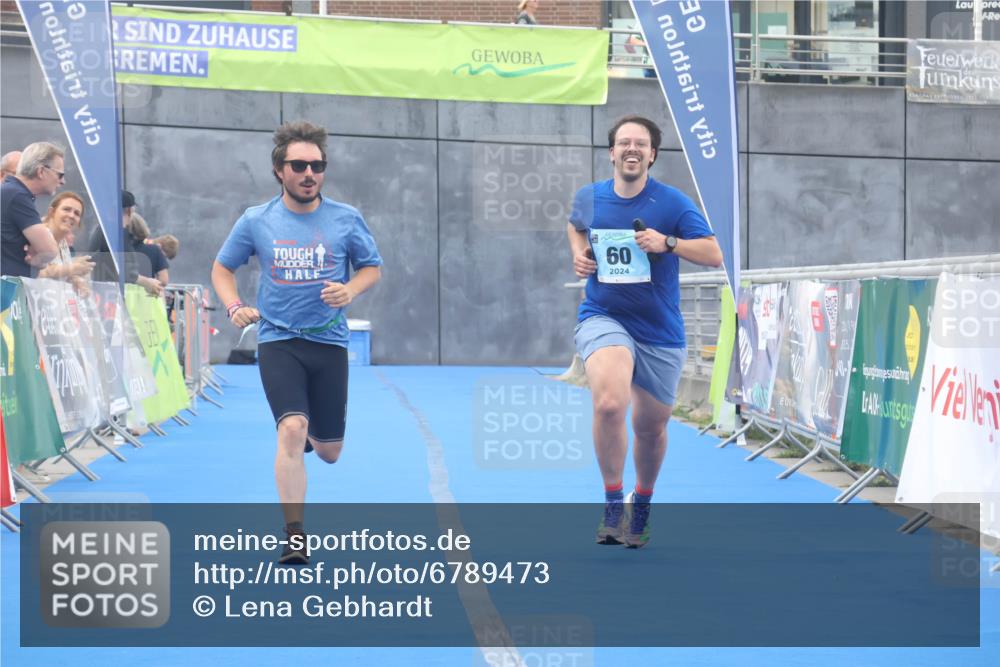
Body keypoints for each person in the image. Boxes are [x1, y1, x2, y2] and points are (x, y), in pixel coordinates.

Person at [212, 120, 383, 565]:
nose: (310, 173)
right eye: (300, 165)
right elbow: (222, 269)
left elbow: (371, 268)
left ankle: (309, 436)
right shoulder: (257, 220)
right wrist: (234, 307)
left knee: (328, 452)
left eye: (317, 165)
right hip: (278, 340)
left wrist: (351, 290)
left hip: (329, 344)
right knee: (291, 429)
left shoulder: (346, 218)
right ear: (279, 170)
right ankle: (294, 535)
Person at [567, 115, 723, 548]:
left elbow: (715, 252)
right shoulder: (590, 197)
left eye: (641, 144)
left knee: (651, 428)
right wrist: (580, 255)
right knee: (610, 403)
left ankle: (644, 501)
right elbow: (576, 225)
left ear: (652, 154)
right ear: (612, 152)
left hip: (658, 329)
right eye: (624, 143)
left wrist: (668, 243)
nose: (632, 149)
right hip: (604, 316)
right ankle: (613, 501)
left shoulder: (672, 203)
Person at [87, 190, 166, 296]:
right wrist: (147, 282)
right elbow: (122, 270)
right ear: (130, 210)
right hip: (107, 296)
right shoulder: (115, 233)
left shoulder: (105, 230)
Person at [1, 142, 61, 277]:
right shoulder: (16, 195)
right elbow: (50, 250)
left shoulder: (13, 193)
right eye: (60, 175)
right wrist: (37, 261)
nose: (62, 181)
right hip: (7, 292)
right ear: (41, 172)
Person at [37, 191, 94, 294]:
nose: (72, 215)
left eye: (77, 213)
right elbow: (34, 273)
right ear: (52, 212)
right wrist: (71, 268)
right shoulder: (38, 234)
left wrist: (76, 281)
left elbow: (60, 274)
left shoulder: (63, 243)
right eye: (66, 209)